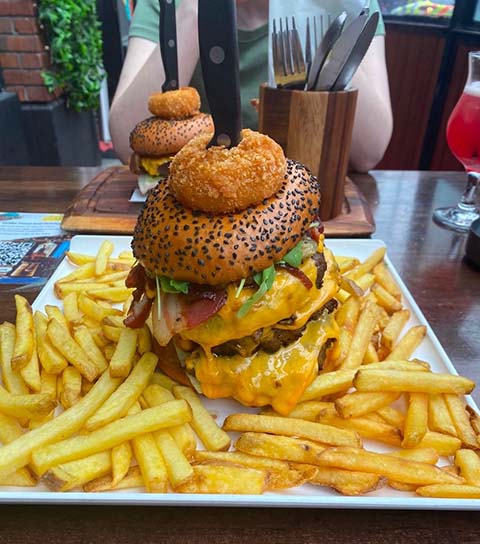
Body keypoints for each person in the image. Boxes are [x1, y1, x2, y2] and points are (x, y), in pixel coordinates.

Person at [109, 0, 393, 173]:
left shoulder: (354, 4)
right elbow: (127, 143)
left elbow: (368, 152)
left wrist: (326, 15)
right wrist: (198, 11)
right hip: (183, 204)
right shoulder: (166, 4)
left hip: (324, 210)